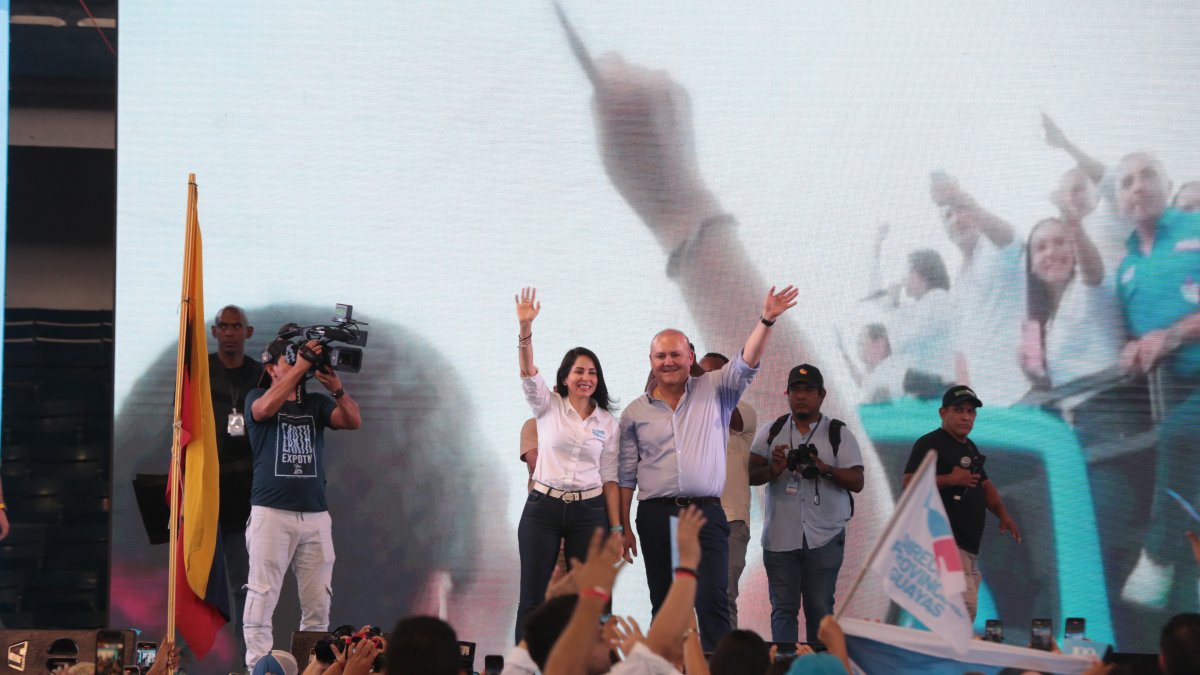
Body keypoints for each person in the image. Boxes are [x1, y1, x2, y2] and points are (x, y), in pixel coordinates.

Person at [607, 285, 797, 651]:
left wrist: (766, 320)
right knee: (665, 605)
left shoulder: (716, 389)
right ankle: (666, 670)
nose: (668, 362)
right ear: (651, 361)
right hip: (655, 514)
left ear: (690, 356)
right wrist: (623, 526)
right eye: (661, 356)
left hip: (706, 512)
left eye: (675, 354)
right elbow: (626, 475)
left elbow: (746, 361)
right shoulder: (634, 412)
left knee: (712, 602)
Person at [242, 329, 362, 671]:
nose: (300, 361)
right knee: (262, 595)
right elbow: (264, 410)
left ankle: (316, 668)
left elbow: (353, 420)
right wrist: (301, 367)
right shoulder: (257, 396)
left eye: (301, 357)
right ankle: (257, 668)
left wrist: (335, 387)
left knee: (318, 602)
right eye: (290, 358)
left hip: (315, 516)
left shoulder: (317, 404)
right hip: (271, 513)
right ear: (271, 368)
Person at [1113, 152, 1200, 611]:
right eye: (1127, 181)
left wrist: (1174, 335)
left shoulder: (1196, 227)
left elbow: (1166, 335)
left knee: (1179, 435)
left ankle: (1157, 554)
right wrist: (1131, 351)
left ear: (1167, 183)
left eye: (1148, 175)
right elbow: (1136, 337)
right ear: (1119, 200)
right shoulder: (1125, 269)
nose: (1138, 186)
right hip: (1173, 392)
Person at [514, 287, 619, 642]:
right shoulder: (547, 405)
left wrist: (617, 528)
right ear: (564, 378)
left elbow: (610, 478)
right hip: (543, 508)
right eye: (579, 371)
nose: (586, 378)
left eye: (592, 372)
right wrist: (525, 328)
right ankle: (524, 664)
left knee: (589, 602)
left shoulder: (608, 422)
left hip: (589, 512)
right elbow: (528, 372)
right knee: (532, 600)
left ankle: (588, 664)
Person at [749, 364, 864, 644]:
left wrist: (825, 468)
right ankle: (784, 663)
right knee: (782, 610)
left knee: (821, 610)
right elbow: (750, 475)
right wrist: (774, 469)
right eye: (796, 390)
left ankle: (818, 664)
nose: (801, 396)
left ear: (822, 395)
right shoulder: (771, 431)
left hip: (825, 535)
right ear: (786, 394)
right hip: (780, 536)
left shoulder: (838, 433)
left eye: (809, 390)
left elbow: (857, 481)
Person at [902, 385, 1021, 620]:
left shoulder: (969, 446)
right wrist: (950, 479)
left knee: (963, 613)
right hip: (944, 542)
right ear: (942, 412)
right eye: (959, 410)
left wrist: (1003, 514)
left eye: (971, 411)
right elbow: (908, 483)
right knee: (963, 611)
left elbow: (984, 485)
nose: (966, 417)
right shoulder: (930, 443)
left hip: (968, 547)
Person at [930, 173, 1028, 406]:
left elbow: (1008, 237)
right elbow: (961, 352)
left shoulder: (997, 251)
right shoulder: (957, 287)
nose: (957, 219)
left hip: (1024, 391)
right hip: (988, 404)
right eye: (948, 216)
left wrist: (958, 198)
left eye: (961, 211)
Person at [208, 304, 263, 663]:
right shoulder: (199, 372)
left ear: (248, 331)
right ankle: (182, 664)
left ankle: (246, 662)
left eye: (236, 326)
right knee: (196, 585)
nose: (229, 332)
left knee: (243, 584)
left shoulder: (260, 375)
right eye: (224, 326)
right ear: (214, 331)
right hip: (206, 491)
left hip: (245, 493)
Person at [698, 351, 758, 629]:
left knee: (723, 597)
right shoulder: (687, 415)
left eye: (714, 375)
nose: (706, 380)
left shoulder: (743, 410)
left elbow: (729, 415)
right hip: (694, 520)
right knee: (687, 597)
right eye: (702, 374)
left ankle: (726, 655)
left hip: (730, 521)